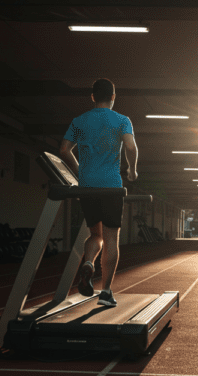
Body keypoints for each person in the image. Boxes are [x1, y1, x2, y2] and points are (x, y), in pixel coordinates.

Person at [58, 78, 138, 306]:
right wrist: (132, 170)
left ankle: (89, 263)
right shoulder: (122, 120)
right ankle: (105, 292)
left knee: (96, 234)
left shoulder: (79, 121)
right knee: (111, 238)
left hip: (88, 186)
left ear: (92, 97)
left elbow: (63, 149)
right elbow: (131, 147)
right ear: (113, 97)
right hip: (111, 186)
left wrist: (80, 170)